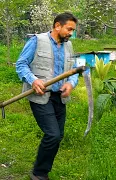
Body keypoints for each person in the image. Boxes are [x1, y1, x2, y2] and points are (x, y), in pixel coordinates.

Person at [16, 12, 78, 180]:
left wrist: (71, 83)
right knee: (53, 134)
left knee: (58, 136)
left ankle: (42, 170)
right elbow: (21, 64)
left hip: (60, 97)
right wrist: (33, 80)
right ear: (57, 25)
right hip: (40, 96)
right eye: (69, 29)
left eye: (73, 30)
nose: (71, 33)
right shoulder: (37, 41)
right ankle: (39, 173)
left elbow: (74, 69)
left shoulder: (69, 46)